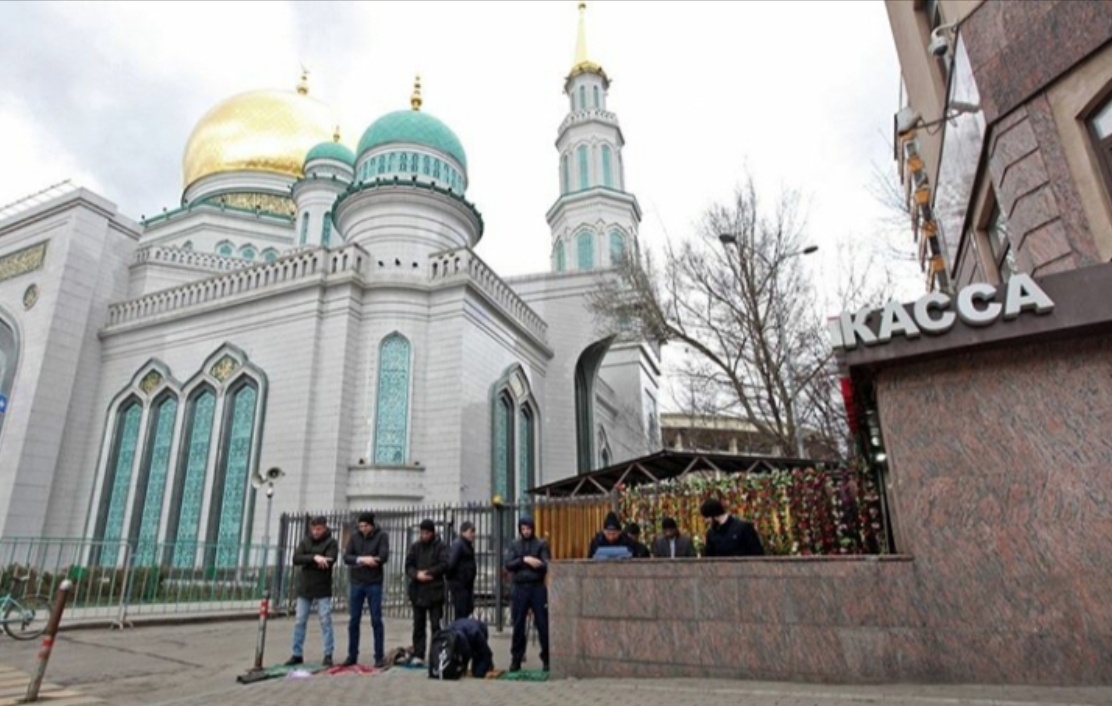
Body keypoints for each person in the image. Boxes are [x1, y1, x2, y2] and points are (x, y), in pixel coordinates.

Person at [285, 517, 338, 667]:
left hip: (323, 587)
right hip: (305, 587)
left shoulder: (331, 543)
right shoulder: (305, 541)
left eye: (319, 529)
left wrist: (310, 561)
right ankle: (297, 654)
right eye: (313, 529)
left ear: (325, 528)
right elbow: (296, 558)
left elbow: (330, 560)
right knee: (300, 621)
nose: (316, 532)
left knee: (325, 620)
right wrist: (314, 558)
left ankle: (328, 654)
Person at [343, 511, 390, 668]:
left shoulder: (381, 536)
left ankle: (379, 656)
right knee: (353, 620)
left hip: (374, 583)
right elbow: (347, 557)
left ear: (371, 525)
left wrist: (373, 560)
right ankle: (352, 654)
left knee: (376, 619)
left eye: (365, 526)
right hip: (356, 582)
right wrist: (362, 559)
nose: (362, 529)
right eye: (360, 526)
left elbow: (383, 556)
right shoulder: (355, 537)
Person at [504, 516, 550, 672]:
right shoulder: (514, 544)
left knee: (542, 624)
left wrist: (533, 562)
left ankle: (547, 658)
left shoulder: (541, 544)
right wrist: (525, 560)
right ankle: (516, 658)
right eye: (523, 529)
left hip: (537, 587)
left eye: (528, 529)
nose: (526, 532)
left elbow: (545, 564)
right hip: (520, 587)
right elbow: (508, 564)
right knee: (518, 624)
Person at [405, 519, 449, 666]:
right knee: (418, 625)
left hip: (434, 592)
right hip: (418, 592)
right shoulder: (415, 547)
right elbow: (408, 565)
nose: (423, 535)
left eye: (426, 533)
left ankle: (436, 654)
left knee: (436, 625)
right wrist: (416, 574)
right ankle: (419, 653)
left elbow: (444, 564)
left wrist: (429, 573)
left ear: (432, 533)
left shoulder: (441, 547)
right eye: (421, 532)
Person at [700, 498, 765, 557]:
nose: (706, 522)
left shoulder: (743, 528)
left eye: (707, 519)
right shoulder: (711, 534)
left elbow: (757, 553)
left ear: (713, 516)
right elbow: (709, 558)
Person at [447, 521, 477, 620]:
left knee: (466, 610)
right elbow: (451, 564)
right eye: (471, 532)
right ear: (463, 532)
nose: (473, 534)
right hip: (460, 585)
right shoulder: (459, 544)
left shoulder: (466, 545)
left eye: (474, 532)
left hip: (466, 584)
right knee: (461, 612)